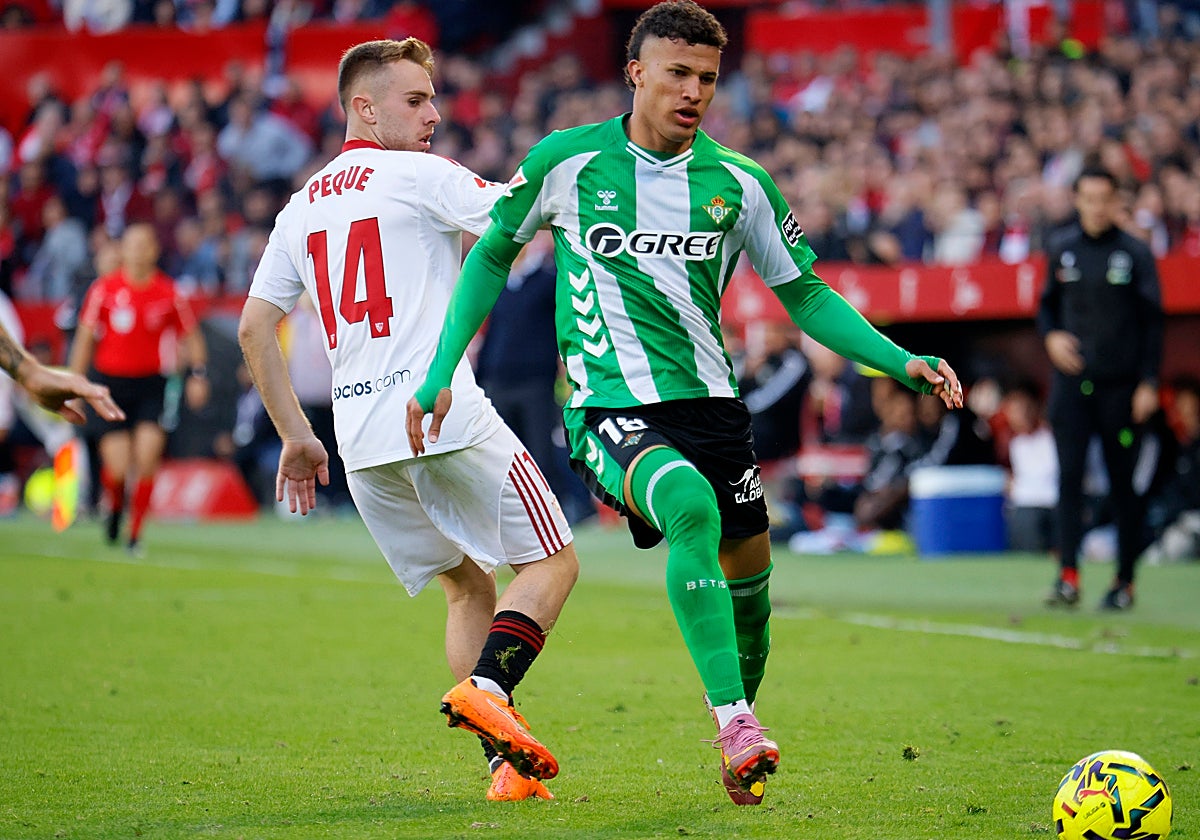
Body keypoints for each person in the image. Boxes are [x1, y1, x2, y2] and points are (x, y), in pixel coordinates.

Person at [408, 0, 962, 805]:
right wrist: (440, 371)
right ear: (636, 72)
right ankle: (734, 719)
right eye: (677, 73)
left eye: (707, 77)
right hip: (609, 407)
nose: (693, 91)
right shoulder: (567, 161)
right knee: (689, 509)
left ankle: (741, 735)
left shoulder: (739, 184)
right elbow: (492, 253)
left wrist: (897, 359)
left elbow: (804, 296)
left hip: (714, 409)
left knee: (751, 599)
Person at [236, 38, 579, 803]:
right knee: (554, 562)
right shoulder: (418, 174)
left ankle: (503, 771)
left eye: (433, 98)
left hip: (360, 443)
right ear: (364, 108)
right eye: (416, 100)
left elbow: (255, 327)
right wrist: (573, 165)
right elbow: (515, 213)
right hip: (443, 414)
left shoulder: (303, 204)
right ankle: (488, 686)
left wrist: (298, 434)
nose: (434, 113)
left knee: (467, 589)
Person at [1037, 165, 1163, 610]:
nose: (1095, 207)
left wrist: (1149, 382)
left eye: (1103, 199)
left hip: (1121, 389)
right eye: (1087, 198)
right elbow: (1046, 309)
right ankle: (1068, 576)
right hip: (1071, 386)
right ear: (1077, 200)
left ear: (1115, 202)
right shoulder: (1062, 249)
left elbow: (1153, 323)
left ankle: (1125, 581)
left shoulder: (1135, 253)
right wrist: (1051, 337)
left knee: (1123, 483)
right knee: (1069, 480)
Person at [68, 222, 209, 554]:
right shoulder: (104, 290)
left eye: (145, 244)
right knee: (117, 468)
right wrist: (75, 385)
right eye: (132, 244)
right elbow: (85, 340)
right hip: (110, 385)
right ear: (123, 250)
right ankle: (115, 507)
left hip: (152, 386)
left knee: (146, 460)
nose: (138, 250)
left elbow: (192, 337)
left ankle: (135, 535)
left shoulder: (169, 292)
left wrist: (197, 375)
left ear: (154, 250)